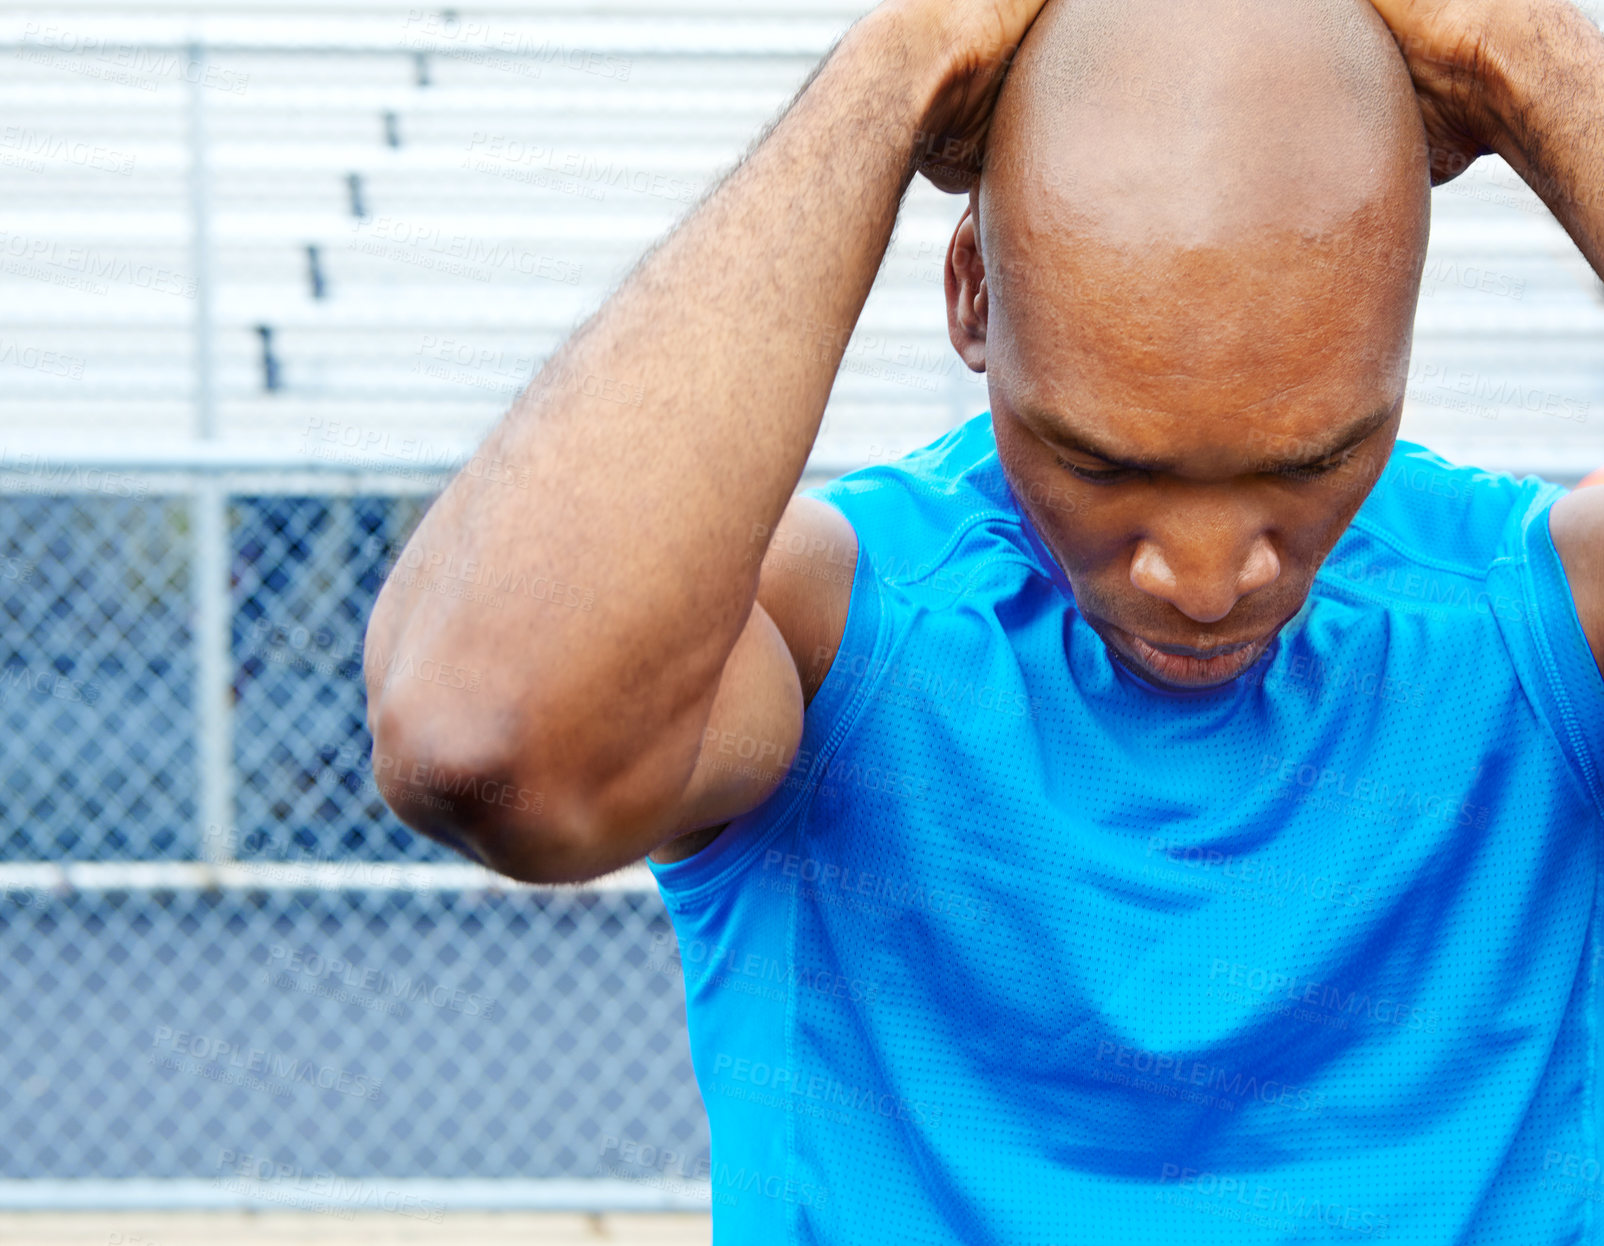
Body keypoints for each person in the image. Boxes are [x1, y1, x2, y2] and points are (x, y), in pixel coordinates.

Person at [362, 0, 1604, 1238]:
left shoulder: (1527, 621)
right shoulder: (847, 631)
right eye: (1102, 466)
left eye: (1309, 461)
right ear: (969, 293)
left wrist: (1526, 56)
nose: (1204, 574)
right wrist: (892, 67)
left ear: (1391, 317)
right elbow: (492, 733)